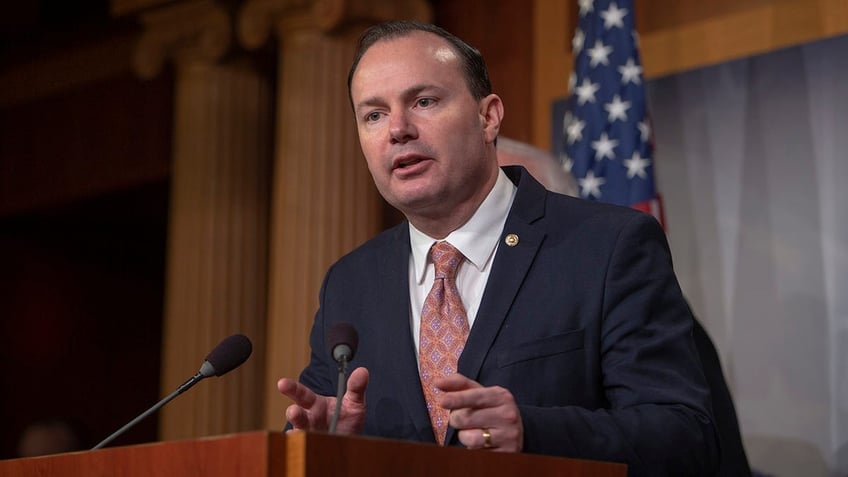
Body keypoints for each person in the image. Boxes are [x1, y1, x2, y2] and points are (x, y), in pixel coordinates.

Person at [277, 21, 719, 476]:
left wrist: (532, 432)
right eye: (373, 115)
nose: (398, 130)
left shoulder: (607, 247)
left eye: (424, 101)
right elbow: (321, 426)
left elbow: (685, 435)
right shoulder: (350, 283)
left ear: (487, 117)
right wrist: (327, 444)